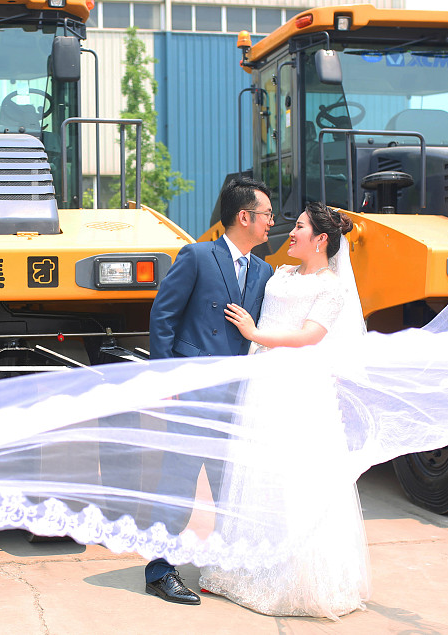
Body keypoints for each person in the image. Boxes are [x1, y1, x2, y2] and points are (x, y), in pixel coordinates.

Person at [198, 201, 370, 619]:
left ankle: (297, 577)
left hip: (298, 388)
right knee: (256, 473)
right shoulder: (281, 273)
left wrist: (256, 333)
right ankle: (245, 565)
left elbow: (312, 336)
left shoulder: (332, 287)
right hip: (262, 382)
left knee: (297, 477)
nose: (290, 233)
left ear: (321, 240)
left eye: (299, 227)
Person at [144, 177, 275, 605]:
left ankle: (222, 566)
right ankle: (160, 570)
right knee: (179, 481)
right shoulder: (198, 256)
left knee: (230, 485)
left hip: (239, 396)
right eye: (267, 214)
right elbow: (164, 316)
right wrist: (168, 380)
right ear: (244, 217)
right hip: (194, 389)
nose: (272, 222)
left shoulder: (264, 271)